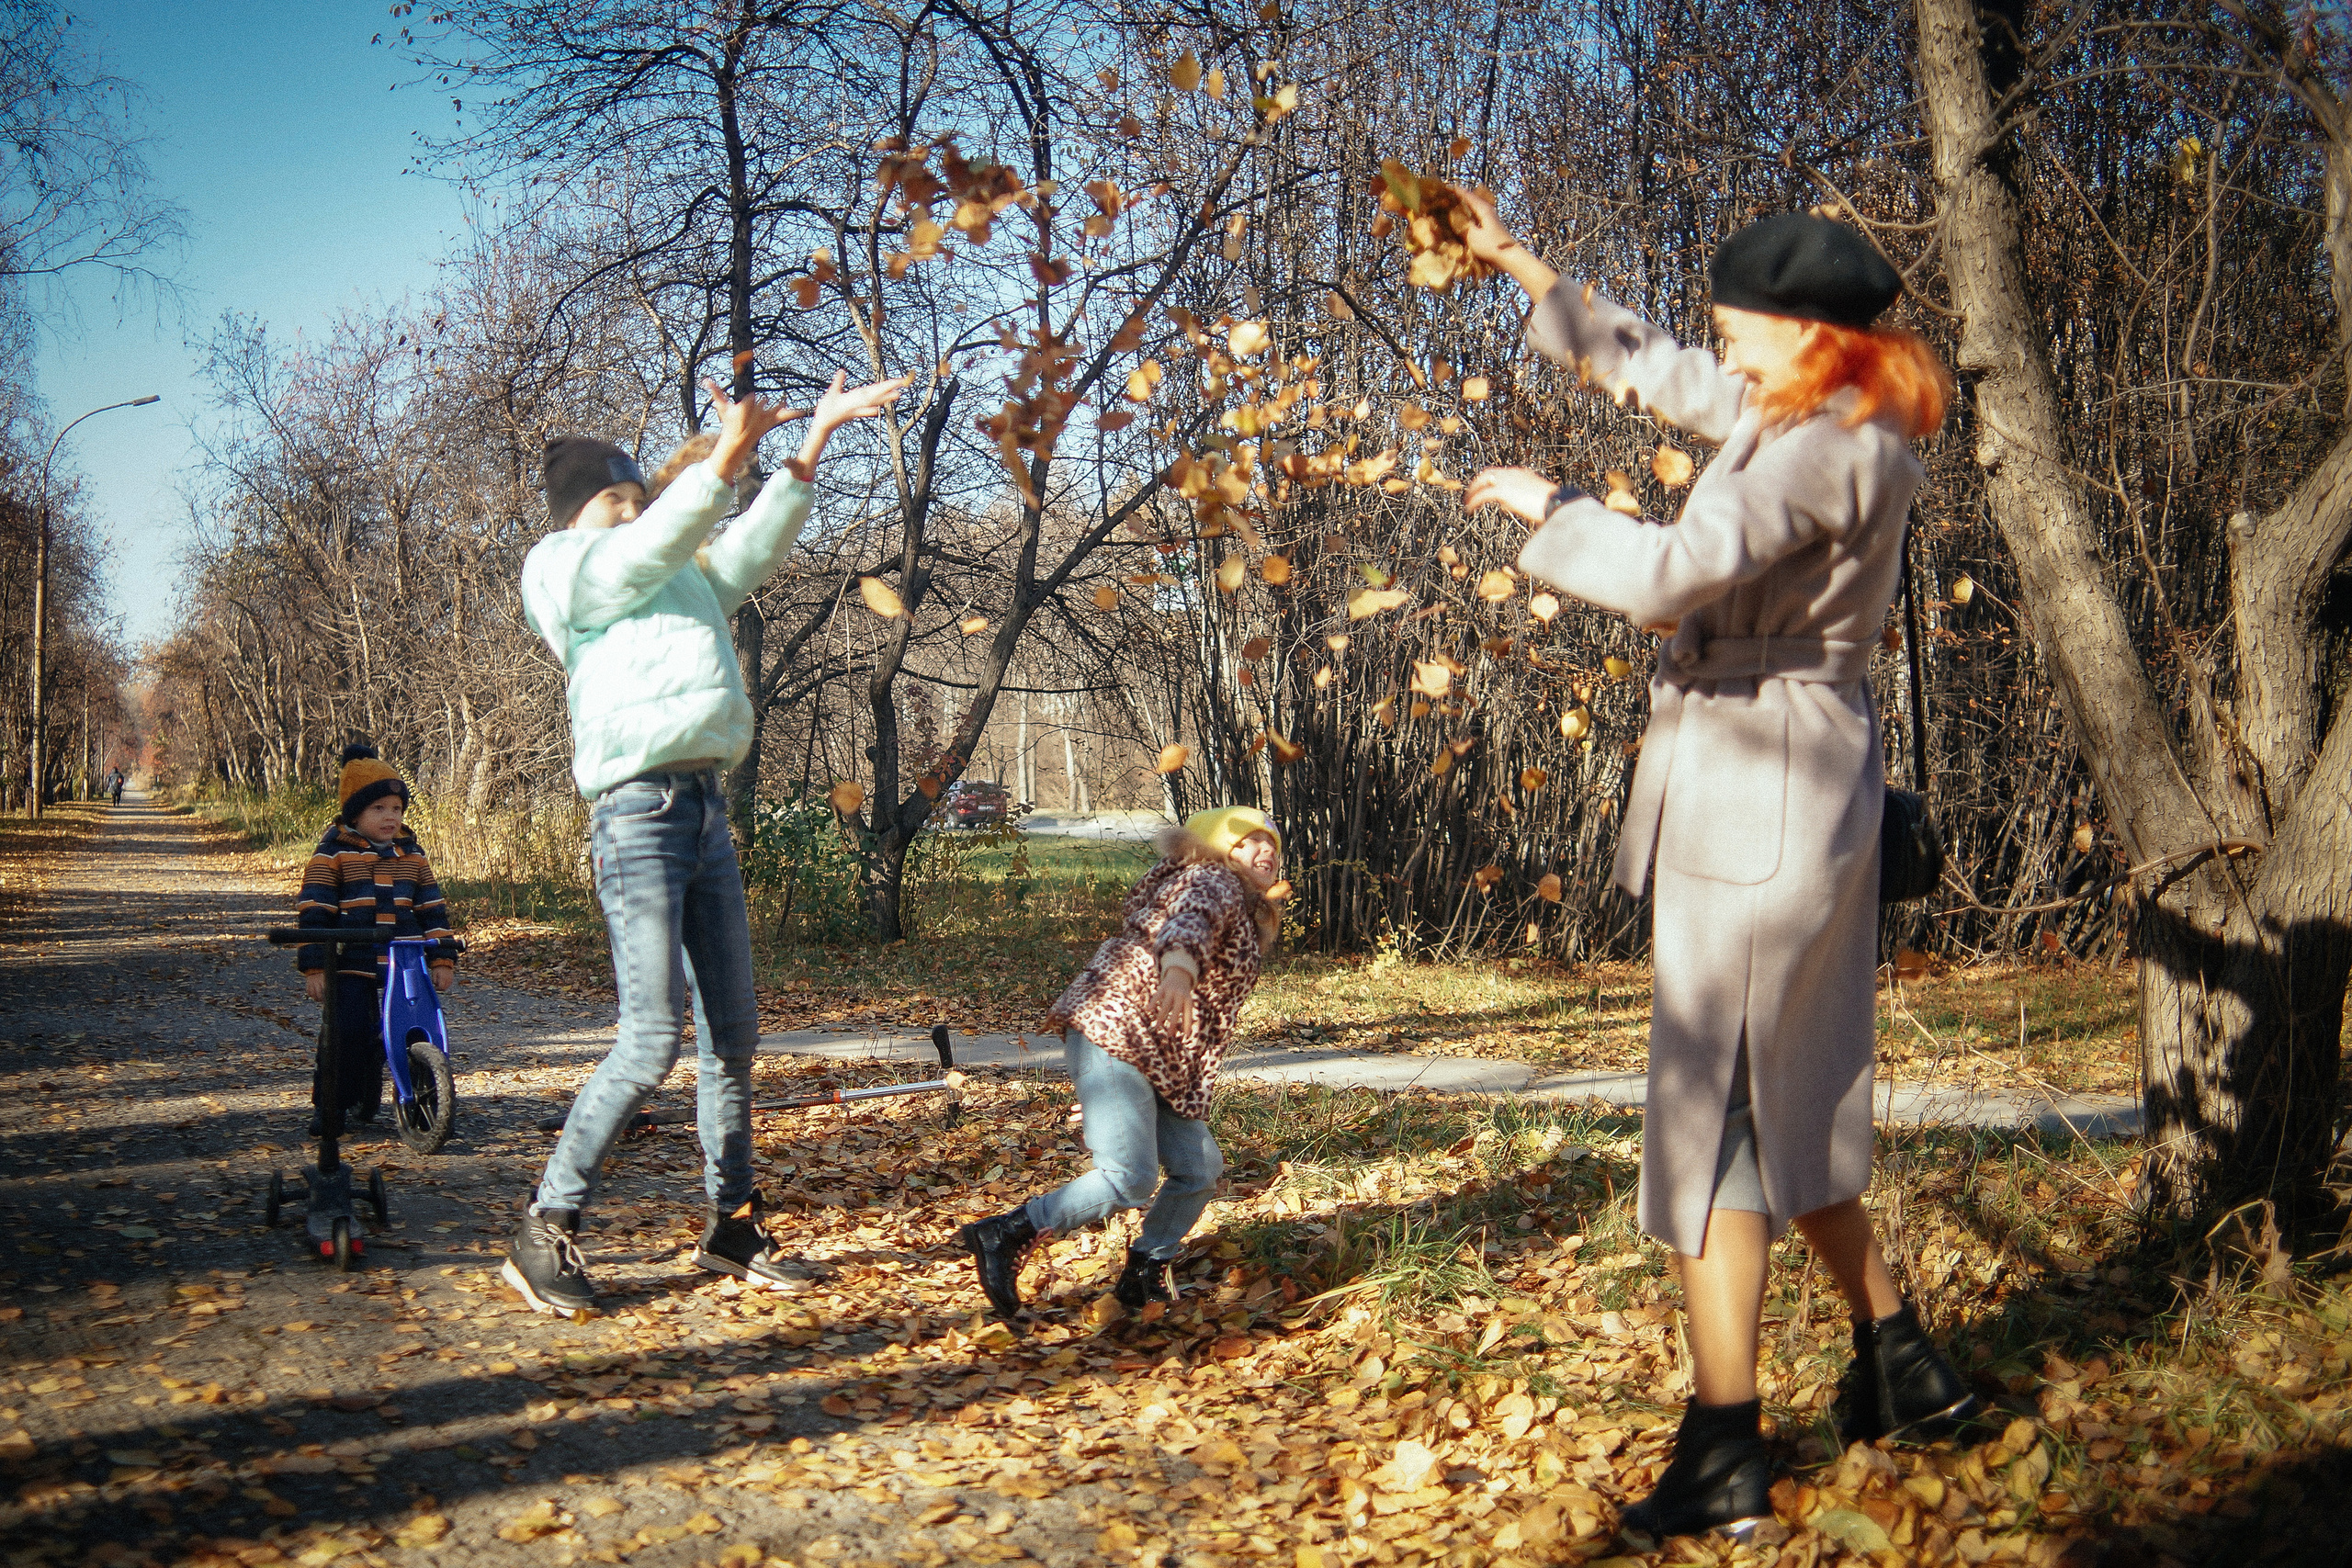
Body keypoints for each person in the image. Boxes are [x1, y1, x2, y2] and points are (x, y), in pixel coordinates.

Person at [1458, 202, 1981, 1540]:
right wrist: (1522, 263)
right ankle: (1904, 1362)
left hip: (1760, 786)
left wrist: (1555, 512)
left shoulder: (1821, 451)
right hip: (1791, 777)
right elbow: (1666, 374)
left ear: (1804, 334)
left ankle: (1725, 1449)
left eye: (1745, 332)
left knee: (1715, 1121)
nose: (1727, 356)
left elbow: (1672, 573)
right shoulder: (1821, 413)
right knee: (1785, 1098)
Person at [504, 367, 909, 1318]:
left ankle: (731, 1224)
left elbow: (746, 552)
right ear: (578, 511)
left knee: (734, 1036)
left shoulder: (674, 572)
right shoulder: (562, 571)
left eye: (638, 497)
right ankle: (545, 1225)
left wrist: (809, 446)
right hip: (635, 815)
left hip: (701, 811)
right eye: (616, 498)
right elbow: (637, 554)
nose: (633, 512)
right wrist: (721, 462)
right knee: (650, 1037)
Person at [959, 807, 1286, 1321]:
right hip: (1116, 1030)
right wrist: (1178, 970)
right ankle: (1006, 1232)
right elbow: (1188, 924)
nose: (1264, 852)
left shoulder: (1241, 908)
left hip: (1158, 1056)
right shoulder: (1210, 879)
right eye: (1248, 842)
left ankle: (1143, 1272)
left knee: (1198, 1169)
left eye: (1271, 843)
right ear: (1219, 849)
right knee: (1129, 1177)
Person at [296, 743, 458, 1137]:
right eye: (378, 809)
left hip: (405, 970)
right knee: (347, 1033)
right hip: (354, 965)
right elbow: (315, 913)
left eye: (397, 809)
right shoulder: (332, 855)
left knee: (418, 1032)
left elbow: (432, 910)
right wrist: (316, 965)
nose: (390, 817)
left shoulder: (413, 856)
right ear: (355, 813)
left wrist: (441, 958)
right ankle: (333, 1105)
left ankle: (427, 1107)